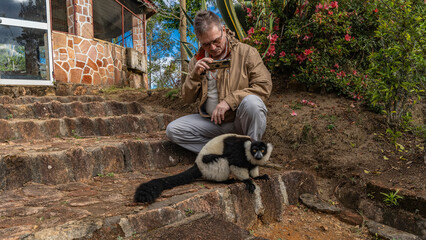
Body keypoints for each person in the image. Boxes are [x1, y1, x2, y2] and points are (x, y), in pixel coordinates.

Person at [166, 10, 272, 153]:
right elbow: (187, 98)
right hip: (212, 124)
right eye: (206, 44)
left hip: (239, 121)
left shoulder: (247, 53)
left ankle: (251, 153)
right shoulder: (196, 61)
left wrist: (230, 101)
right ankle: (226, 153)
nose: (213, 48)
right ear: (199, 40)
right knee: (173, 130)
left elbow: (263, 86)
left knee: (253, 103)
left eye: (216, 41)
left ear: (223, 30)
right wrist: (195, 76)